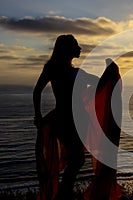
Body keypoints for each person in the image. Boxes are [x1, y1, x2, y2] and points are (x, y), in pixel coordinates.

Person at [33, 34, 99, 199]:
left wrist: (38, 115)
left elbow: (98, 82)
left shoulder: (73, 72)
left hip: (71, 119)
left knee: (76, 160)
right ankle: (63, 195)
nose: (79, 48)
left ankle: (64, 194)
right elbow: (37, 91)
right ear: (67, 49)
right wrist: (38, 115)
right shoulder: (65, 71)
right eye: (76, 45)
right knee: (77, 159)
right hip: (66, 120)